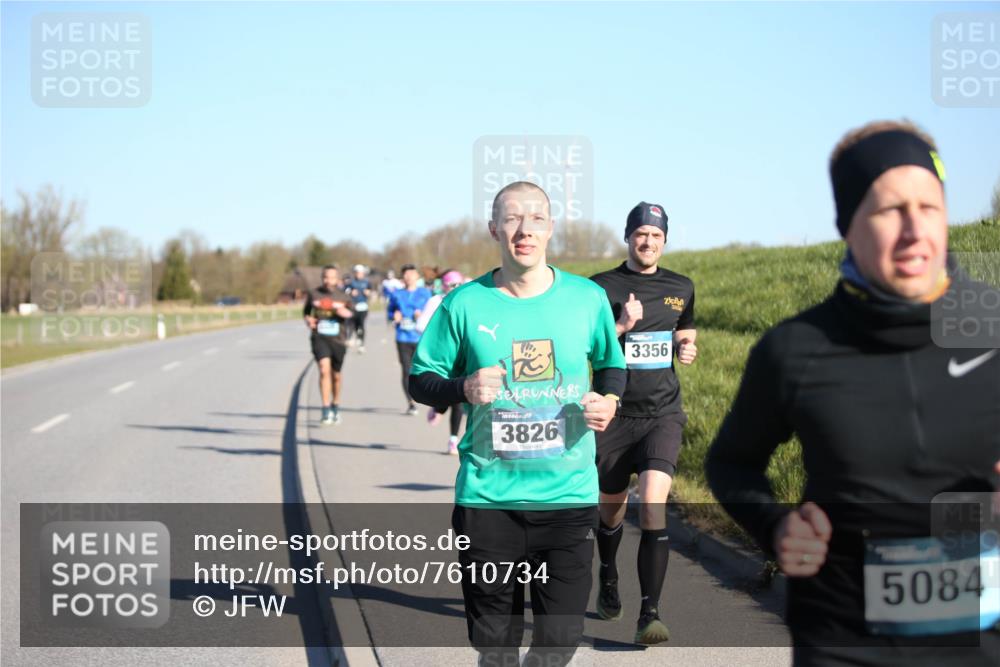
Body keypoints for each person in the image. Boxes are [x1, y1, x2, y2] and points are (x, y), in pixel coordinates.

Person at [705, 120, 1000, 666]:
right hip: (845, 639)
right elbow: (730, 463)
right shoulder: (795, 350)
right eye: (890, 210)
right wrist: (776, 527)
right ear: (847, 224)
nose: (915, 230)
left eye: (930, 207)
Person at [409, 181, 626, 667]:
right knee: (496, 648)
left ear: (550, 228)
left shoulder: (587, 299)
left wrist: (609, 399)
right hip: (488, 503)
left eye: (534, 218)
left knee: (558, 643)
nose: (523, 229)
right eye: (511, 218)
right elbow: (421, 379)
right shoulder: (463, 304)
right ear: (493, 229)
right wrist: (462, 387)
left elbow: (612, 364)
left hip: (567, 500)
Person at [588, 201, 697, 645]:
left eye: (655, 235)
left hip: (662, 414)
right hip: (614, 416)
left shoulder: (681, 286)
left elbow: (684, 331)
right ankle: (608, 573)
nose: (647, 241)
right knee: (611, 510)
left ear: (664, 240)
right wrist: (621, 324)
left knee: (653, 505)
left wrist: (686, 349)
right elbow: (588, 350)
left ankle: (649, 613)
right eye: (640, 234)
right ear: (628, 237)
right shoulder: (600, 287)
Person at [416, 268, 468, 454]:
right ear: (444, 286)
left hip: (462, 356)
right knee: (446, 393)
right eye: (452, 285)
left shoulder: (467, 300)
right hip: (442, 357)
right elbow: (420, 325)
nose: (456, 288)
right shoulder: (436, 301)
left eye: (459, 284)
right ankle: (438, 408)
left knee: (459, 398)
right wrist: (437, 339)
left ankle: (453, 439)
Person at [302, 264, 354, 425]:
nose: (328, 280)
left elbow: (351, 314)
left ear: (337, 279)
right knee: (324, 371)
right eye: (325, 277)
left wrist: (340, 310)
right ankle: (325, 409)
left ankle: (335, 404)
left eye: (331, 277)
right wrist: (308, 320)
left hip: (338, 339)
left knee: (336, 376)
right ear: (322, 277)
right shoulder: (314, 294)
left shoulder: (343, 296)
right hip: (320, 337)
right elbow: (306, 312)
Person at [388, 264, 432, 415]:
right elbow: (390, 311)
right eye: (406, 275)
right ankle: (411, 402)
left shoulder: (425, 293)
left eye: (412, 274)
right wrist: (394, 316)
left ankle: (428, 396)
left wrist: (423, 316)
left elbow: (434, 313)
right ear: (403, 277)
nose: (409, 277)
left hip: (421, 338)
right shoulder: (396, 294)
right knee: (406, 370)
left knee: (423, 370)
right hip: (403, 337)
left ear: (417, 276)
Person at [347, 264, 372, 353]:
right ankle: (352, 337)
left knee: (361, 325)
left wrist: (368, 293)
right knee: (352, 324)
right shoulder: (351, 282)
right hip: (354, 306)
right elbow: (346, 291)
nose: (359, 274)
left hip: (363, 306)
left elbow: (370, 291)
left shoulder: (367, 282)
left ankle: (361, 344)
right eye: (357, 273)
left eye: (360, 273)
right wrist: (351, 293)